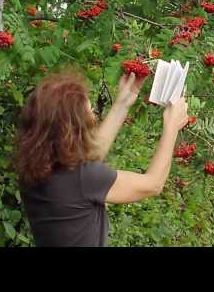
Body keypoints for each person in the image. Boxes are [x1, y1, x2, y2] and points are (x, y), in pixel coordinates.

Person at [13, 65, 188, 247]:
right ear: (70, 130)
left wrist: (123, 103)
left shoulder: (33, 170)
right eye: (89, 113)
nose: (93, 118)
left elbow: (90, 156)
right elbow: (153, 184)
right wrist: (171, 126)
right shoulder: (83, 178)